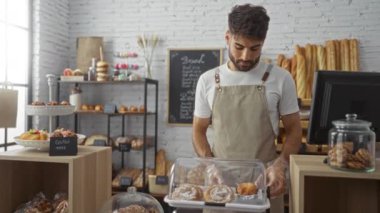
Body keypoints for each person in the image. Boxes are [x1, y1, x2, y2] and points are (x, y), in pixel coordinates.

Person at [192, 4, 302, 213]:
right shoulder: (207, 80)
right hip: (219, 183)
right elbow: (198, 130)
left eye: (255, 48)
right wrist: (209, 165)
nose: (245, 57)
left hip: (265, 181)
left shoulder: (281, 78)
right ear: (227, 38)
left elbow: (295, 130)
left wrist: (280, 165)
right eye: (239, 47)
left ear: (263, 43)